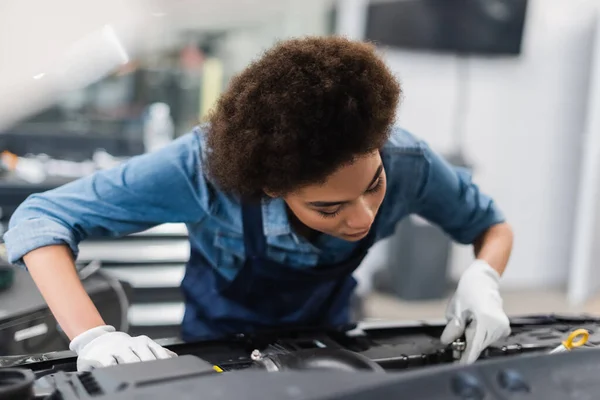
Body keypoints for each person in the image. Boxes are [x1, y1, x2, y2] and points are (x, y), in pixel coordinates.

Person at [3, 36, 513, 371]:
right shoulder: (197, 169)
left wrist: (483, 276)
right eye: (329, 209)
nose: (363, 217)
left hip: (331, 338)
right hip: (215, 347)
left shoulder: (410, 162)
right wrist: (91, 336)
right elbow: (40, 216)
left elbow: (491, 226)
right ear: (272, 186)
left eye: (374, 185)